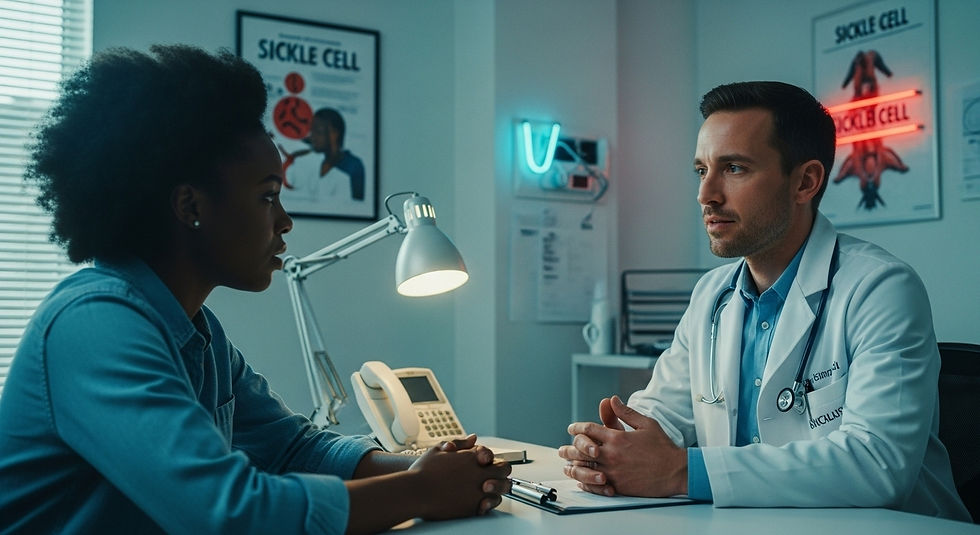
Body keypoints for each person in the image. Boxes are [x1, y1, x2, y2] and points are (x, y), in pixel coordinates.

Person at [0, 45, 510, 534]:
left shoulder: (198, 332)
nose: (285, 221)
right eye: (268, 196)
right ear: (190, 206)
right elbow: (228, 514)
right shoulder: (95, 324)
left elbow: (292, 449)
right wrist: (420, 491)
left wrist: (421, 466)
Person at [559, 81, 971, 522]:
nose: (706, 195)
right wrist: (610, 449)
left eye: (734, 168)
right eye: (701, 171)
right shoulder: (711, 296)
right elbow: (663, 411)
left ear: (806, 181)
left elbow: (878, 464)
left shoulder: (881, 288)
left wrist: (681, 472)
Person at [280, 107, 366, 203]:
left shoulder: (354, 165)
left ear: (335, 133)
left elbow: (358, 204)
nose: (313, 137)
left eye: (318, 132)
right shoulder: (312, 163)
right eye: (312, 131)